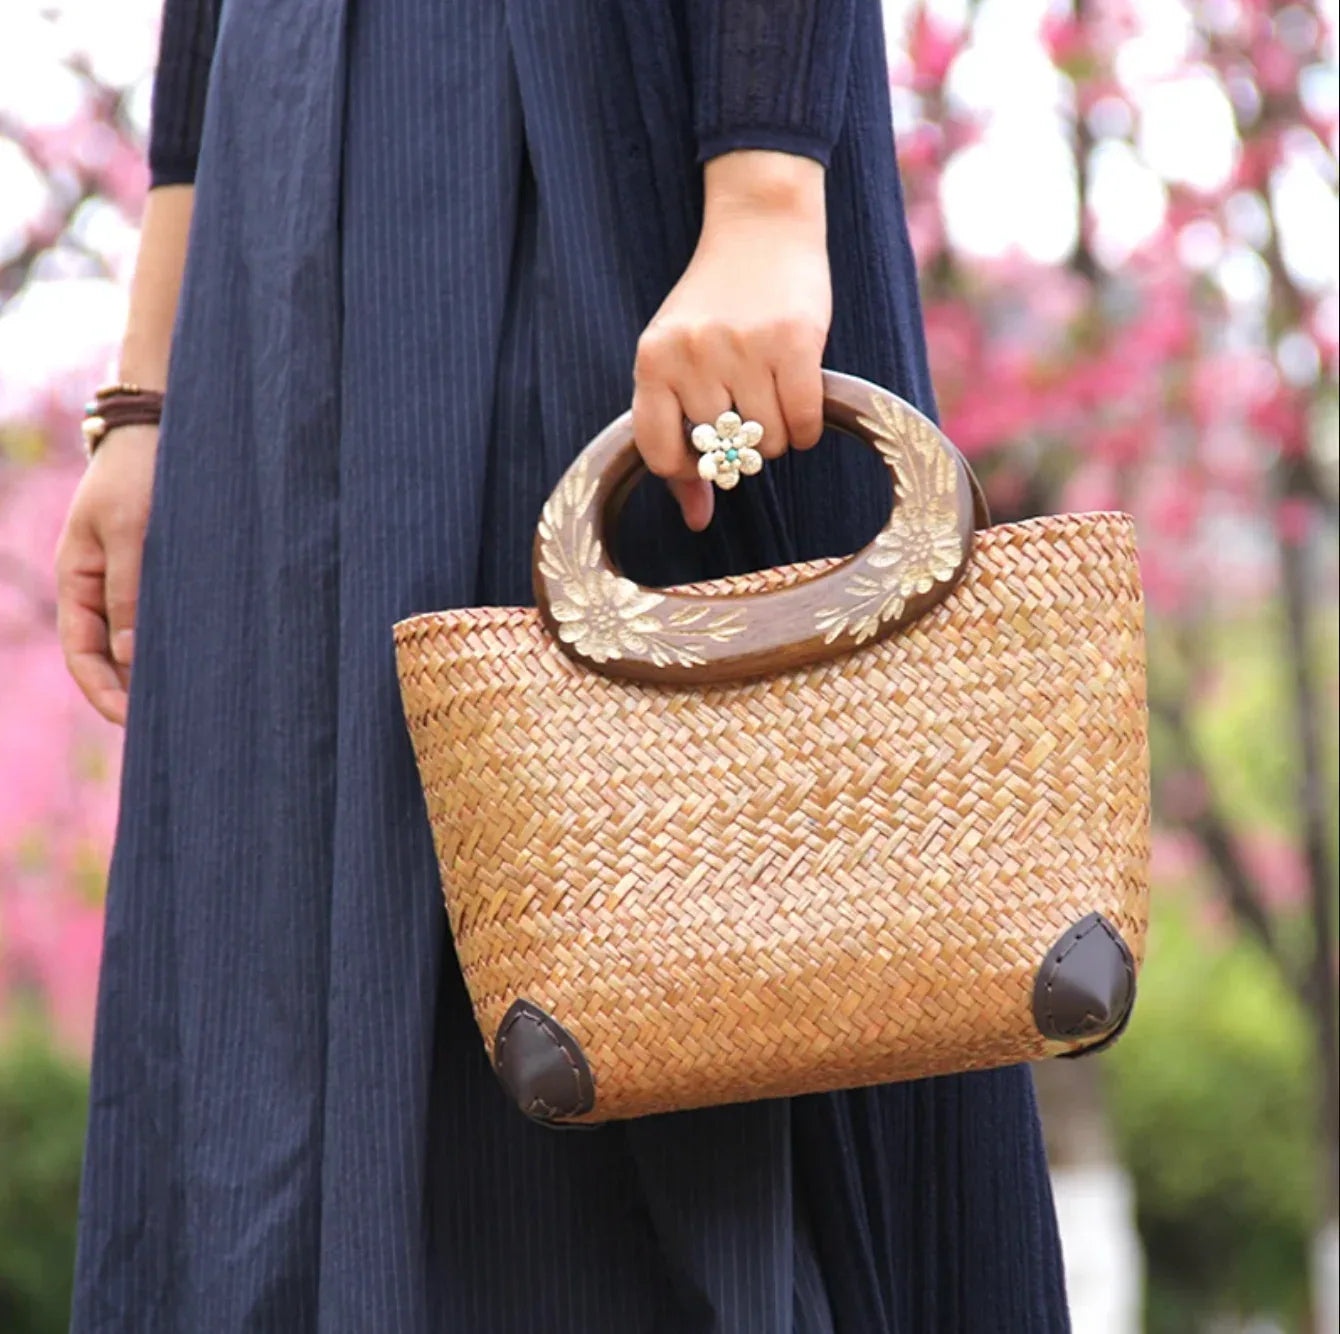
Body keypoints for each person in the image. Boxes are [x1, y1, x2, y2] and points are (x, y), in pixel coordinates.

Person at [56, 1, 1071, 1329]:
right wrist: (147, 395)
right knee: (275, 1022)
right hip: (276, 180)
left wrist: (763, 185)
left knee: (633, 992)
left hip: (597, 127)